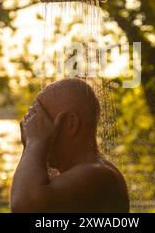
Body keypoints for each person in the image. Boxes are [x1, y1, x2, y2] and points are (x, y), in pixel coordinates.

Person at [10, 78, 129, 213]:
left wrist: (34, 143)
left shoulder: (98, 174)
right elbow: (33, 187)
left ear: (70, 124)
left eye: (42, 121)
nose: (33, 129)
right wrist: (31, 146)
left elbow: (24, 206)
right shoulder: (75, 171)